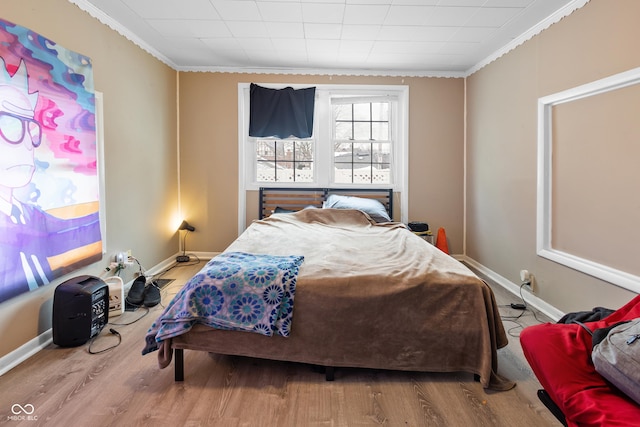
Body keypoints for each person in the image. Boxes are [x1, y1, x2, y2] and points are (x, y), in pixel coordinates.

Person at [0, 58, 101, 303]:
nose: (26, 143)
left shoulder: (29, 216)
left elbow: (71, 231)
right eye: (11, 126)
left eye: (31, 129)